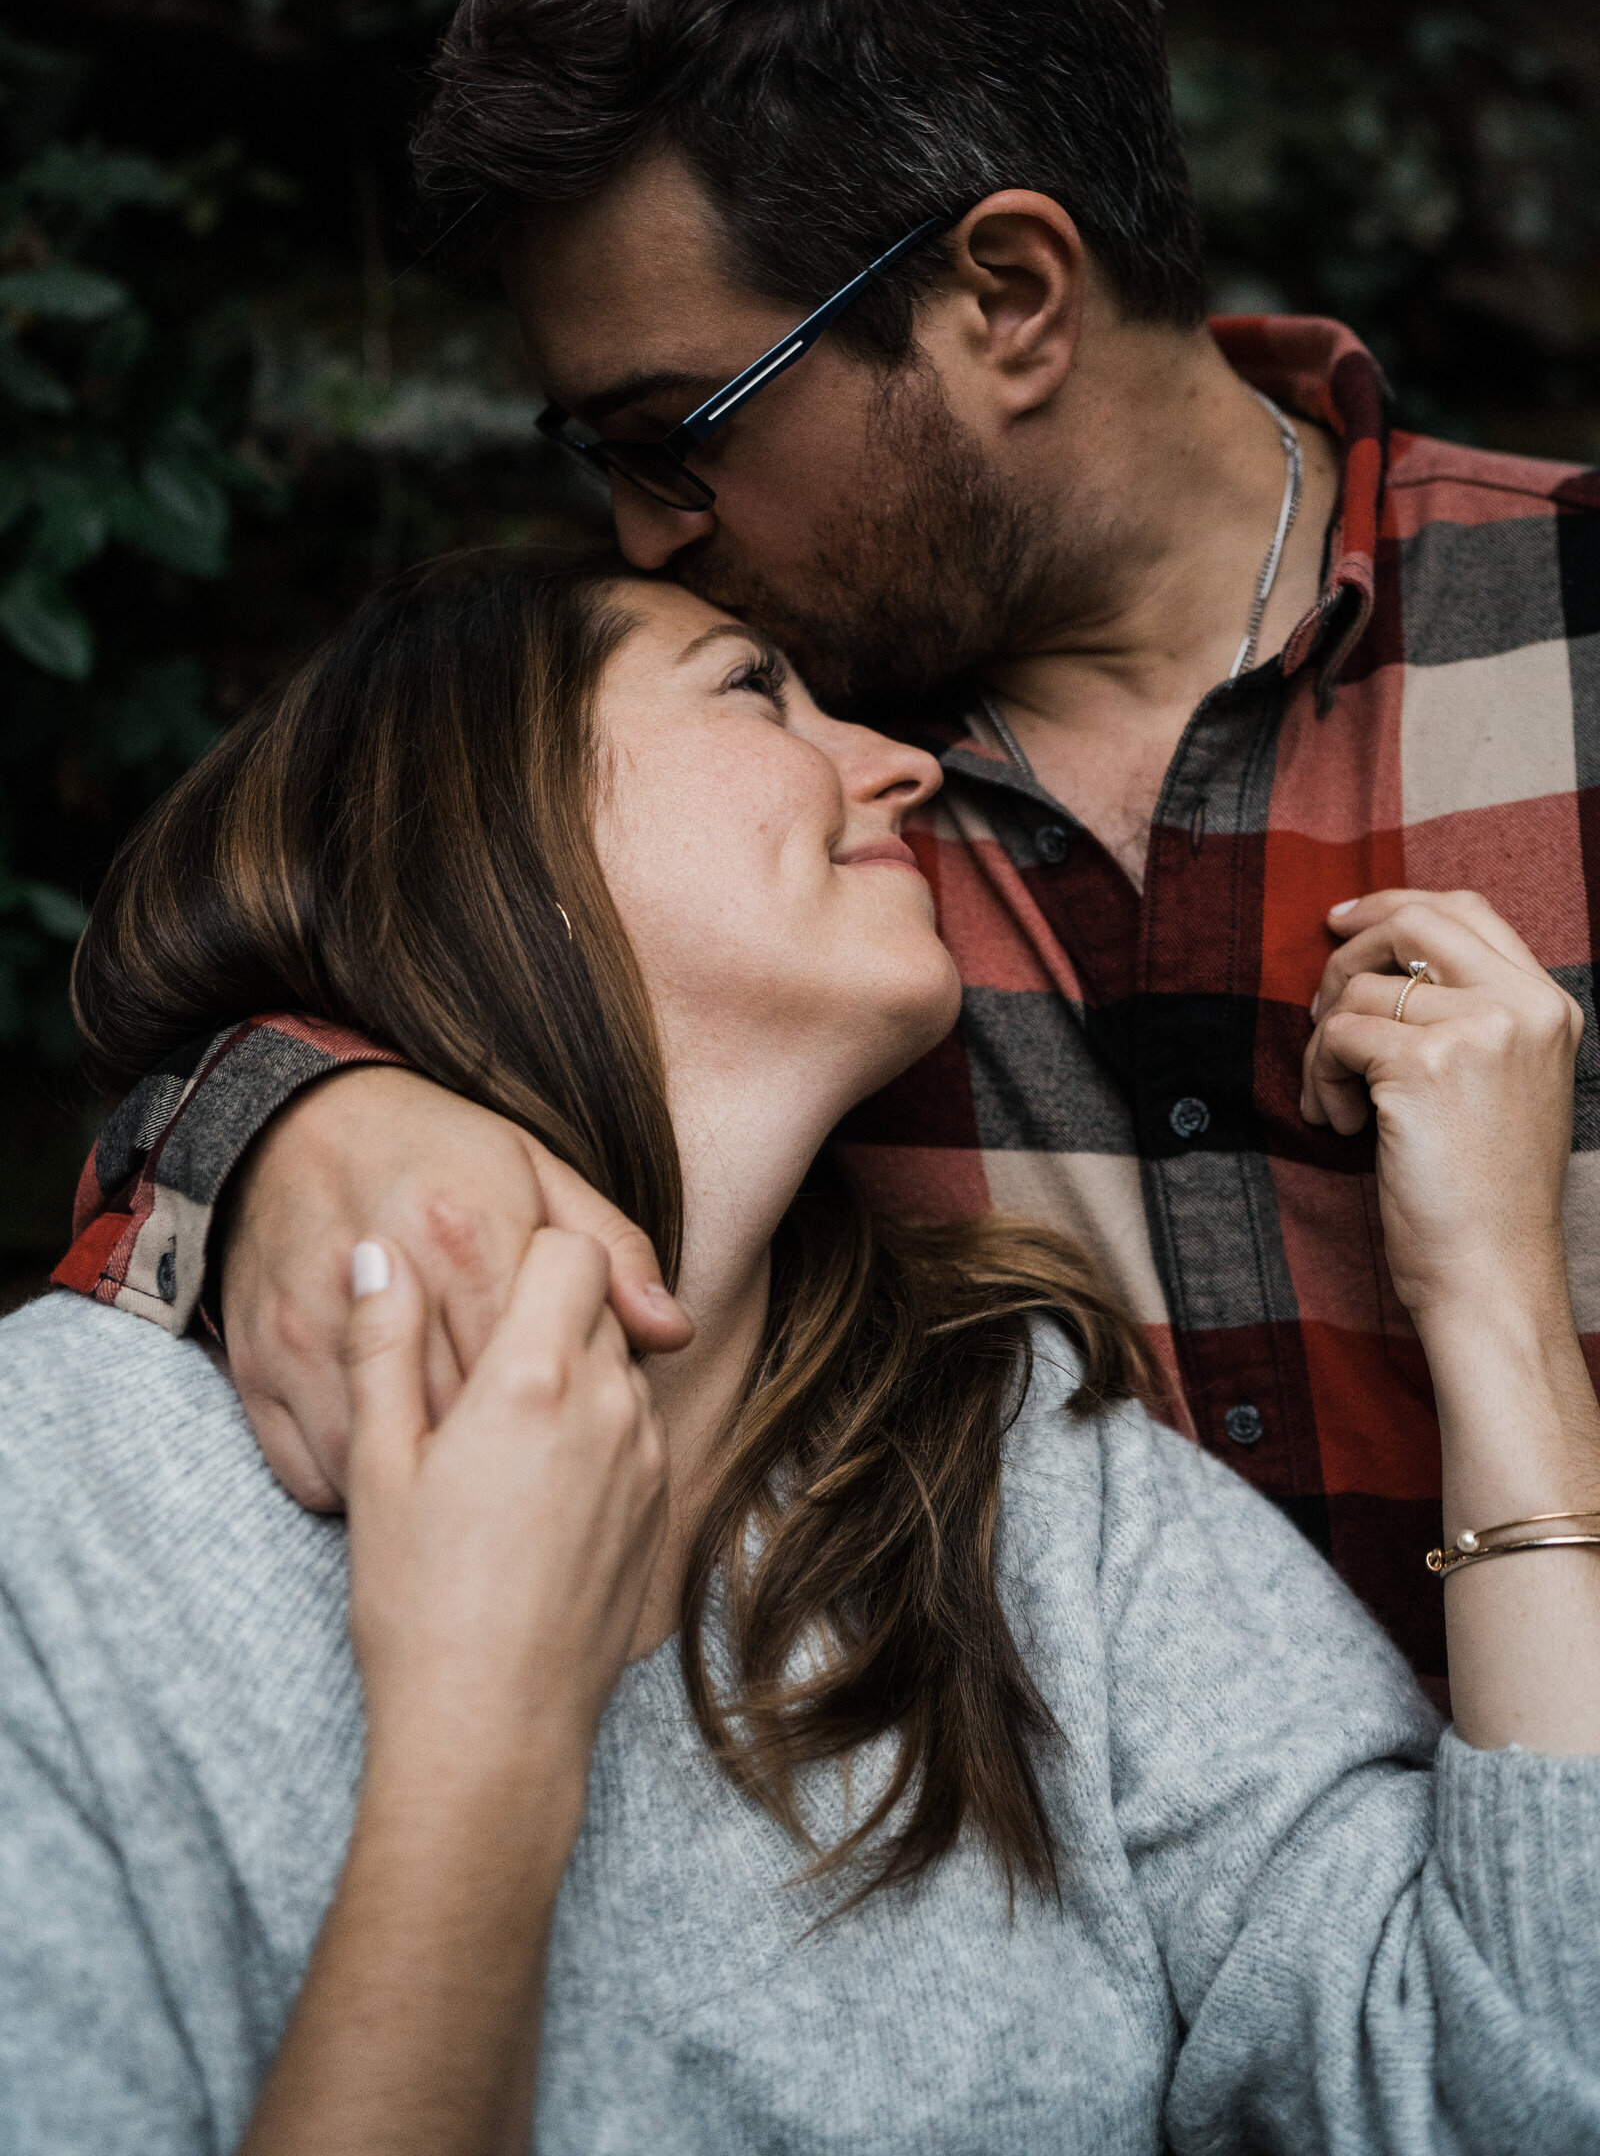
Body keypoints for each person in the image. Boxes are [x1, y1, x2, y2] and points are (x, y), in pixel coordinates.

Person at [50, 0, 1600, 1694]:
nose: (634, 530)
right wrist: (301, 1129)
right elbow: (266, 1007)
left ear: (1007, 297)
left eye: (672, 431)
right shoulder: (726, 809)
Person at [5, 548, 1600, 2155]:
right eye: (752, 686)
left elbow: (1517, 2096)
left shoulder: (1023, 1481)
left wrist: (1493, 1304)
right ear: (484, 818)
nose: (902, 766)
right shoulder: (63, 1499)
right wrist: (484, 1727)